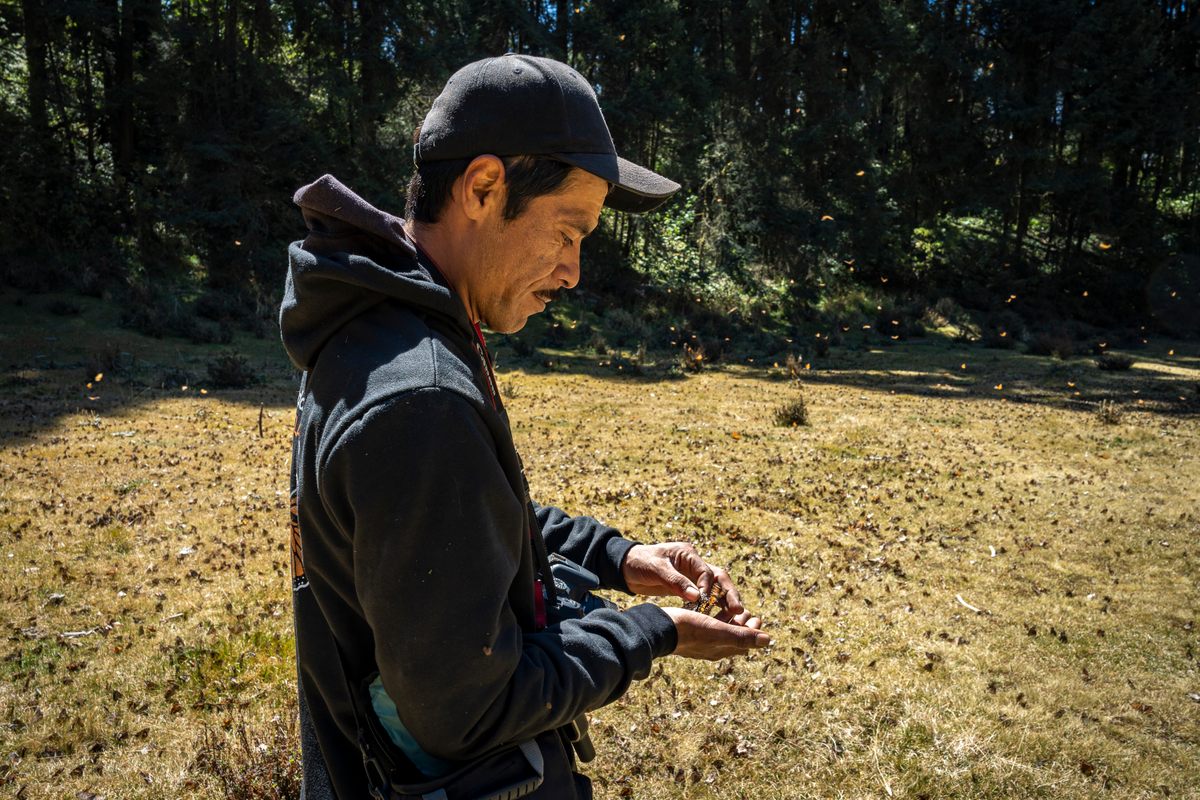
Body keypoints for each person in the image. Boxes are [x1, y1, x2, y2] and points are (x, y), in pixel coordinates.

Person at [280, 53, 770, 800]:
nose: (574, 272)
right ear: (483, 187)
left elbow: (456, 522)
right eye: (567, 232)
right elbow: (470, 712)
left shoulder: (377, 332)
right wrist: (652, 632)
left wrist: (620, 556)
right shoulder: (421, 396)